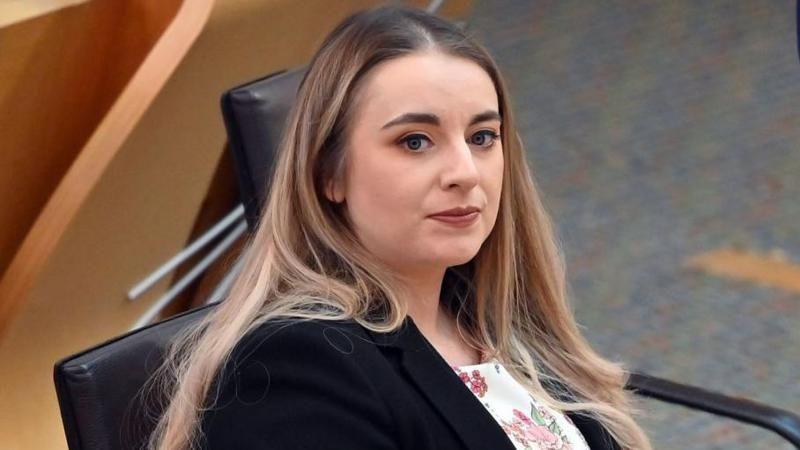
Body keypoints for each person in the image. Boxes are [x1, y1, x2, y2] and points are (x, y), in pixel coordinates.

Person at [146, 5, 652, 450]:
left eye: (481, 136)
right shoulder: (295, 368)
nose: (464, 172)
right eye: (415, 141)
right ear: (330, 173)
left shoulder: (488, 317)